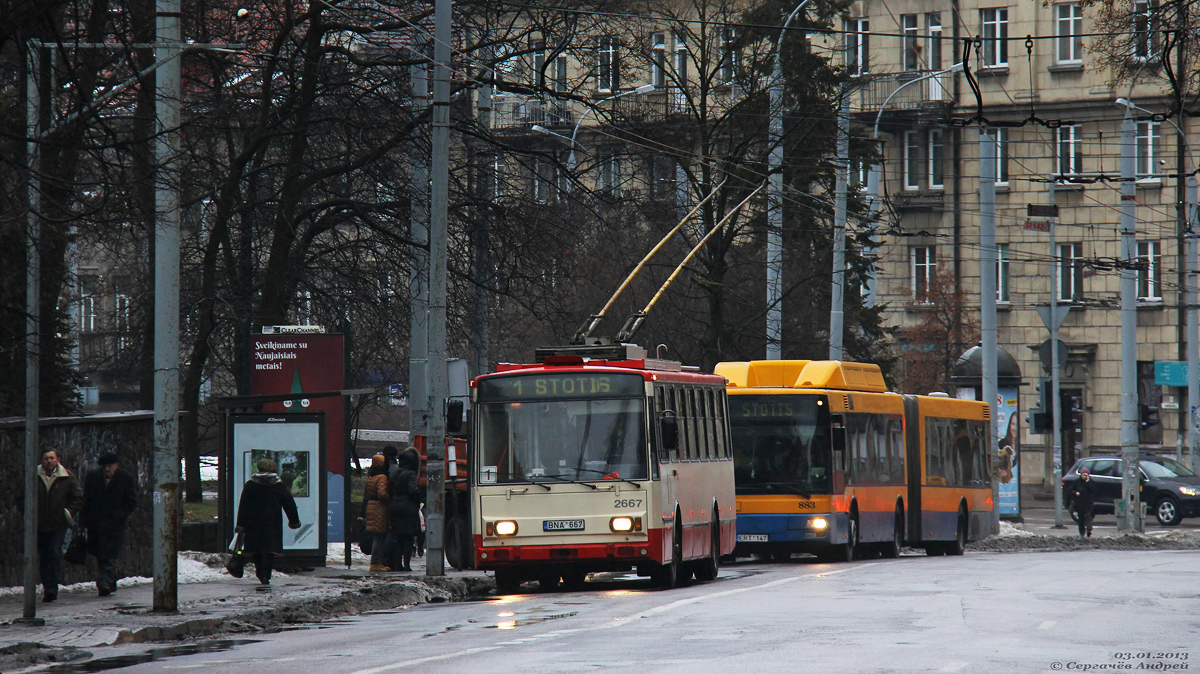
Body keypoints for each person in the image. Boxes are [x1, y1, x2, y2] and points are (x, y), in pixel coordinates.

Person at [236, 458, 301, 588]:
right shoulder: (278, 485)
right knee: (269, 550)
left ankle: (260, 573)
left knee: (256, 550)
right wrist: (294, 521)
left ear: (259, 468)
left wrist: (241, 524)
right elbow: (289, 504)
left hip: (253, 523)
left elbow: (243, 505)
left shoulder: (250, 484)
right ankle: (266, 574)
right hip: (272, 522)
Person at [82, 452, 138, 596]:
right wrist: (85, 520)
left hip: (114, 525)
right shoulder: (93, 477)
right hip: (96, 523)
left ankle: (104, 582)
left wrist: (120, 515)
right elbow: (86, 499)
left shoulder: (125, 479)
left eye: (110, 466)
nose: (107, 469)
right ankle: (109, 579)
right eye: (104, 466)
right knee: (100, 554)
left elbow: (131, 501)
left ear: (116, 466)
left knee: (110, 553)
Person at [36, 448, 83, 602]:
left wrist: (68, 512)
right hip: (39, 523)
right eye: (46, 459)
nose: (49, 462)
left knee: (54, 553)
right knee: (44, 555)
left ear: (58, 459)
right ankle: (47, 584)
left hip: (58, 524)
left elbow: (77, 497)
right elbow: (22, 496)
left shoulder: (67, 477)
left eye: (52, 458)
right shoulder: (34, 477)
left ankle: (51, 588)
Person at [388, 447, 423, 572]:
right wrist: (418, 499)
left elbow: (390, 489)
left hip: (394, 506)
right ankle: (407, 565)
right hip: (407, 508)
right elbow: (413, 490)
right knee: (408, 537)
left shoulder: (395, 473)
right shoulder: (411, 474)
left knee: (398, 537)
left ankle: (397, 565)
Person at [358, 454, 391, 572]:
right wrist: (389, 498)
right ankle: (375, 563)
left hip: (371, 507)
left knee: (377, 536)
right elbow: (382, 493)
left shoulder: (371, 476)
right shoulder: (382, 477)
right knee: (379, 537)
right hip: (379, 508)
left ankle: (377, 562)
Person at [1070, 466, 1097, 538]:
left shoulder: (1091, 482)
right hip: (1079, 503)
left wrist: (1088, 482)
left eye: (1086, 475)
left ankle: (1089, 530)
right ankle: (1081, 533)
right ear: (1081, 475)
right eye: (1084, 475)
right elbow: (1071, 491)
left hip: (1088, 503)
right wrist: (1075, 493)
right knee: (1081, 519)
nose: (1085, 477)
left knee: (1088, 517)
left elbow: (1093, 490)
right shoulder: (1077, 482)